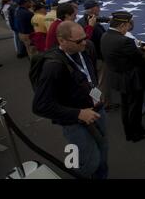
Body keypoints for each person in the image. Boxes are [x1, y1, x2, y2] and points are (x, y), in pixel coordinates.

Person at [33, 21, 108, 179]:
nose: (85, 42)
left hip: (97, 109)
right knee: (89, 161)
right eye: (79, 40)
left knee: (103, 151)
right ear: (62, 40)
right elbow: (40, 106)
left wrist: (96, 91)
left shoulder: (87, 48)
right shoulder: (52, 67)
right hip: (74, 122)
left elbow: (90, 74)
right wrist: (78, 114)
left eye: (85, 37)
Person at [100, 11, 145, 142]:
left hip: (119, 78)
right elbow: (140, 59)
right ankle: (136, 133)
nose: (129, 27)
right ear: (123, 25)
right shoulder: (125, 41)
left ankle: (129, 132)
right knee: (134, 107)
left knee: (126, 107)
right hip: (131, 80)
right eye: (128, 24)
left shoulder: (105, 35)